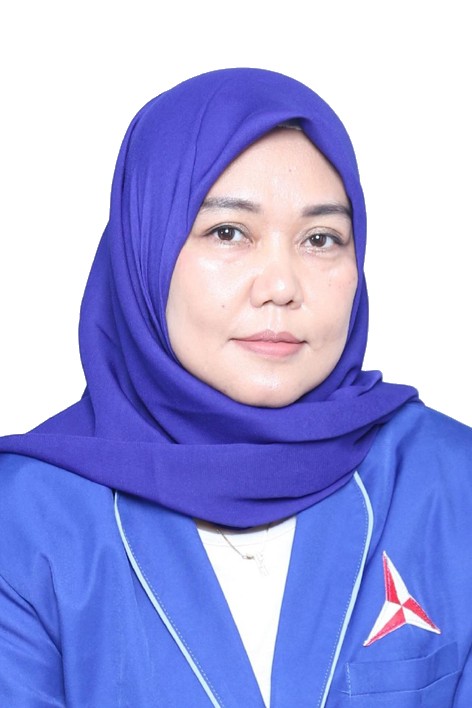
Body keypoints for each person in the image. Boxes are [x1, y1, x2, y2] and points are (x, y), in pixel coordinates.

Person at [0, 67, 471, 708]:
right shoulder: (24, 519)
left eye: (320, 239)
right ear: (145, 248)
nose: (280, 285)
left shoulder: (450, 484)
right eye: (228, 233)